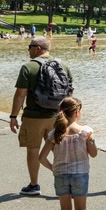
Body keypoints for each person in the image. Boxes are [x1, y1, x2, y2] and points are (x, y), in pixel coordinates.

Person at [9, 36, 72, 196]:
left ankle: (34, 185)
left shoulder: (28, 67)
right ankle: (67, 182)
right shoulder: (63, 65)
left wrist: (13, 116)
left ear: (37, 48)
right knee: (59, 149)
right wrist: (69, 117)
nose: (28, 49)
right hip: (57, 116)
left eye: (30, 46)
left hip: (34, 117)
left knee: (33, 150)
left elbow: (20, 95)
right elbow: (70, 93)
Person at [38, 96, 98, 210]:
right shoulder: (85, 132)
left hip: (61, 175)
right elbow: (93, 154)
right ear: (78, 112)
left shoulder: (54, 134)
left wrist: (53, 169)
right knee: (81, 208)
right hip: (80, 175)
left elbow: (41, 158)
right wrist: (91, 140)